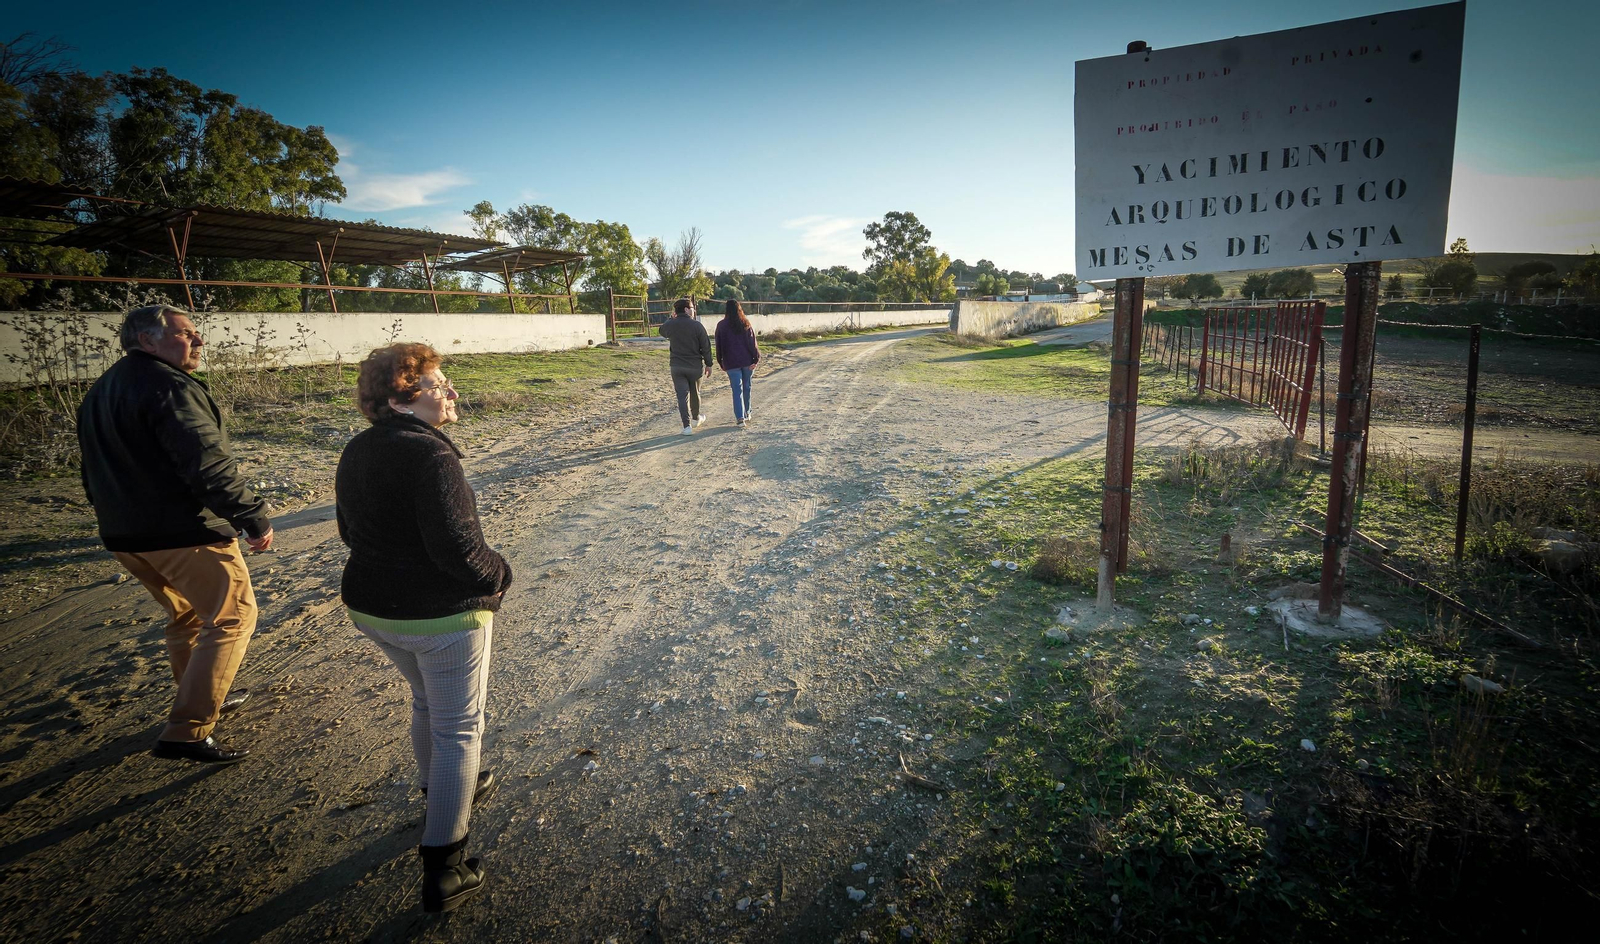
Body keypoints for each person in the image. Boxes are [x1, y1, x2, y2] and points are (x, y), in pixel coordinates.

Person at [336, 343, 512, 914]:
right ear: (401, 398)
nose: (453, 393)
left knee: (426, 706)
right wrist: (500, 576)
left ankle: (444, 791)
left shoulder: (358, 449)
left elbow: (348, 532)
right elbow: (459, 548)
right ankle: (446, 864)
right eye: (439, 386)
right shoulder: (431, 457)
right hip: (438, 615)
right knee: (460, 728)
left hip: (371, 609)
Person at [77, 305, 271, 766]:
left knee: (188, 617)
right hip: (183, 532)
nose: (199, 342)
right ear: (148, 340)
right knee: (232, 617)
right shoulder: (169, 386)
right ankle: (187, 730)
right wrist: (251, 515)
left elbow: (91, 471)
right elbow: (207, 463)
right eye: (187, 335)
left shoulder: (102, 389)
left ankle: (207, 695)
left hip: (127, 536)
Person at [657, 297, 712, 434]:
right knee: (695, 393)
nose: (693, 311)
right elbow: (706, 346)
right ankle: (695, 418)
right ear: (687, 309)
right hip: (694, 366)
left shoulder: (672, 324)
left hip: (677, 366)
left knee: (682, 396)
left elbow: (662, 331)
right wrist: (709, 364)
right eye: (692, 308)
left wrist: (671, 318)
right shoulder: (697, 326)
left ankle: (686, 426)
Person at [714, 299, 760, 428]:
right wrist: (756, 359)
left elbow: (719, 345)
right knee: (747, 387)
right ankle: (748, 412)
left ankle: (740, 418)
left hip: (731, 362)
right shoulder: (745, 323)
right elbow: (752, 343)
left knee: (736, 390)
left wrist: (720, 361)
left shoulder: (721, 325)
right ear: (739, 309)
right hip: (746, 361)